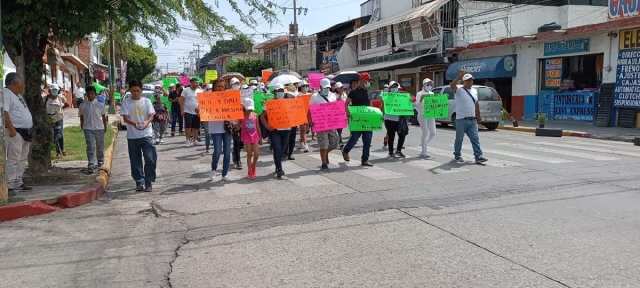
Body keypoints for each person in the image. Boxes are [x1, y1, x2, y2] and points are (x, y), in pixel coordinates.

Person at [120, 79, 157, 192]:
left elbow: (151, 115)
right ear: (130, 91)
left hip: (146, 135)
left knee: (150, 158)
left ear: (141, 90)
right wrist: (134, 124)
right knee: (135, 161)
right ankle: (139, 181)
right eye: (133, 91)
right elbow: (125, 118)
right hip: (132, 136)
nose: (135, 93)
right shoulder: (126, 102)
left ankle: (148, 181)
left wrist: (146, 122)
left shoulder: (146, 101)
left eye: (137, 91)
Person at [4, 72, 33, 194]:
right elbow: (4, 112)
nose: (24, 85)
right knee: (13, 159)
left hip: (25, 133)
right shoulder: (6, 94)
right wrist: (12, 130)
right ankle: (9, 184)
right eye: (22, 82)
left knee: (22, 159)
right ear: (16, 83)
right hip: (15, 132)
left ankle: (18, 182)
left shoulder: (18, 96)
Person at [450, 70, 488, 164]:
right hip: (461, 119)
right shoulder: (459, 90)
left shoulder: (474, 90)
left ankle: (478, 156)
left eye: (471, 80)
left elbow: (476, 103)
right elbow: (452, 86)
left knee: (475, 139)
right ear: (463, 81)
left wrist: (478, 115)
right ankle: (457, 155)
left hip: (472, 120)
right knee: (459, 139)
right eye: (467, 80)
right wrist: (458, 77)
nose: (470, 82)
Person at [342, 73, 374, 167]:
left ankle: (365, 160)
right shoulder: (354, 92)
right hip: (356, 119)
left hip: (367, 120)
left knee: (367, 140)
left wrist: (374, 114)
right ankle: (345, 151)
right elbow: (346, 103)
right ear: (362, 80)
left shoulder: (368, 92)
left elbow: (370, 104)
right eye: (367, 80)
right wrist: (347, 113)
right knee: (355, 137)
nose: (368, 82)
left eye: (369, 81)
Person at [260, 83, 292, 178]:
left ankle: (278, 163)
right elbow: (262, 116)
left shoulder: (289, 102)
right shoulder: (269, 103)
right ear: (274, 92)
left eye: (281, 91)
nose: (280, 93)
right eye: (278, 91)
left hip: (287, 129)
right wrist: (267, 126)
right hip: (274, 130)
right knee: (277, 148)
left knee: (282, 150)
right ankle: (279, 168)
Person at [309, 78, 339, 170]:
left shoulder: (333, 95)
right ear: (321, 87)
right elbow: (310, 110)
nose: (327, 89)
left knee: (335, 143)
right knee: (324, 144)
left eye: (328, 87)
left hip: (331, 123)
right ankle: (324, 163)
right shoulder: (315, 96)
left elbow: (336, 108)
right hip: (320, 124)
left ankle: (325, 154)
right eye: (325, 87)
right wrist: (310, 121)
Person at [79, 85, 108, 174]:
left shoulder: (100, 105)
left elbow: (104, 117)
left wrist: (105, 127)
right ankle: (91, 163)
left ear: (95, 94)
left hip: (99, 128)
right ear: (86, 95)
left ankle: (100, 159)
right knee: (90, 146)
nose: (90, 96)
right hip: (88, 128)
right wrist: (82, 126)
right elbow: (81, 117)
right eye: (88, 94)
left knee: (100, 145)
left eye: (92, 94)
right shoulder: (83, 105)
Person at [207, 79, 232, 181]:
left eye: (222, 86)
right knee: (217, 151)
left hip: (227, 127)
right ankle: (213, 169)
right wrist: (198, 110)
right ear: (214, 87)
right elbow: (203, 110)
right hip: (215, 127)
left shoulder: (229, 97)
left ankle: (224, 173)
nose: (220, 88)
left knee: (227, 152)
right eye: (218, 86)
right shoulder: (208, 98)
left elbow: (234, 108)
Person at [381, 81, 407, 158]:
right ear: (389, 88)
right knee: (391, 136)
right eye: (393, 87)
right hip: (389, 119)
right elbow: (383, 108)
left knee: (402, 134)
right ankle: (391, 152)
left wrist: (408, 102)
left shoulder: (401, 97)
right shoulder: (386, 96)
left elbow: (405, 106)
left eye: (396, 87)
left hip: (399, 119)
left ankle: (398, 150)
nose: (394, 89)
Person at [238, 98, 262, 179]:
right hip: (246, 136)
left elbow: (258, 127)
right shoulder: (241, 116)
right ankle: (249, 171)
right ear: (244, 107)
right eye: (248, 109)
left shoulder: (255, 115)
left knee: (256, 154)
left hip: (255, 136)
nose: (250, 110)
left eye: (251, 109)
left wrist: (260, 137)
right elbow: (238, 126)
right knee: (249, 154)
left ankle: (253, 165)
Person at [45, 84, 70, 158]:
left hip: (58, 118)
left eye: (56, 90)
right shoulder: (46, 98)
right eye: (53, 90)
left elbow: (67, 104)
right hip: (49, 118)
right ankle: (58, 152)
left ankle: (62, 149)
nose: (54, 91)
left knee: (59, 134)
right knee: (53, 135)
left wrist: (61, 108)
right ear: (50, 90)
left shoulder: (60, 97)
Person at [415, 78, 437, 158]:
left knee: (433, 132)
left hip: (430, 114)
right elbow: (417, 106)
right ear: (423, 85)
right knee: (425, 132)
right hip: (422, 115)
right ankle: (423, 150)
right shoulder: (419, 94)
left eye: (430, 84)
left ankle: (424, 144)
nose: (429, 86)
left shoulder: (432, 93)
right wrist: (421, 100)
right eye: (427, 84)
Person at [179, 78, 203, 147]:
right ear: (191, 83)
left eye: (197, 83)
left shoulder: (200, 91)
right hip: (187, 111)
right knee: (188, 126)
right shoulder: (185, 90)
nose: (197, 84)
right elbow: (181, 100)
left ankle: (195, 140)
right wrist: (182, 110)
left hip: (197, 112)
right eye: (195, 83)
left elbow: (202, 102)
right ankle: (187, 140)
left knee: (196, 127)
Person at [229, 77, 244, 170]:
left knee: (242, 142)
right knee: (236, 141)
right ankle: (238, 160)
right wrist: (234, 123)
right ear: (231, 85)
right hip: (232, 122)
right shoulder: (227, 95)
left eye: (237, 83)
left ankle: (235, 152)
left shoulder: (244, 94)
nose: (236, 85)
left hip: (242, 121)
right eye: (234, 84)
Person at [283, 84, 299, 161]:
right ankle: (285, 153)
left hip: (294, 121)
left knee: (292, 138)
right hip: (285, 121)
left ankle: (290, 153)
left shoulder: (295, 99)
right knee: (286, 138)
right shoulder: (282, 99)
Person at [333, 82, 347, 148]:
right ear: (337, 89)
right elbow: (335, 103)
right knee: (337, 128)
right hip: (335, 114)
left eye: (342, 87)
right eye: (340, 87)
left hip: (342, 113)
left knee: (340, 128)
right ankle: (340, 141)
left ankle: (339, 140)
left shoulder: (345, 94)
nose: (342, 88)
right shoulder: (334, 95)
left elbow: (346, 103)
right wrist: (340, 96)